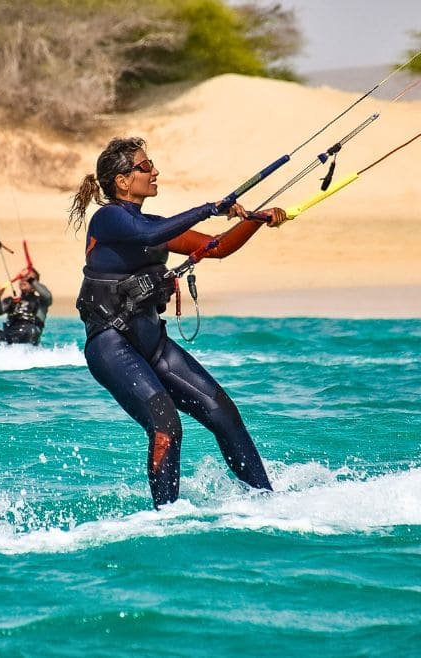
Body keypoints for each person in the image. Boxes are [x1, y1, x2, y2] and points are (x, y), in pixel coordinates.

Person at [68, 136, 289, 509]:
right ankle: (165, 517)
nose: (154, 171)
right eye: (145, 166)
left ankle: (268, 501)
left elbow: (217, 247)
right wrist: (210, 207)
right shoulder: (107, 219)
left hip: (153, 344)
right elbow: (146, 235)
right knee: (166, 425)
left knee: (223, 412)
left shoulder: (154, 224)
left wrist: (257, 220)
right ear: (122, 180)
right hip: (110, 345)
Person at [0, 267, 53, 350]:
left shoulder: (41, 301)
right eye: (22, 278)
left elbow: (47, 295)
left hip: (29, 338)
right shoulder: (11, 301)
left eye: (28, 278)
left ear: (35, 283)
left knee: (29, 329)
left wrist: (31, 279)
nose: (24, 280)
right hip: (10, 339)